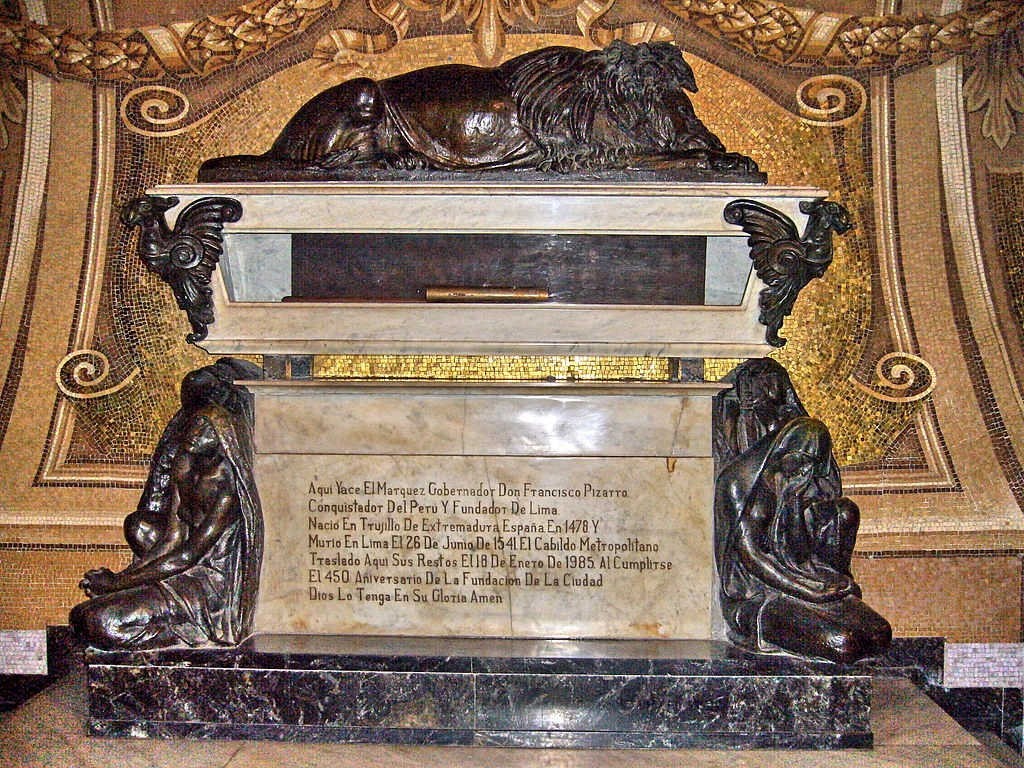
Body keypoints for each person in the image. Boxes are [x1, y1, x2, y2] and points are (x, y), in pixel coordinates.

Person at [69, 359, 263, 650]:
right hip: (181, 569)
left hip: (208, 581)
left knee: (99, 622)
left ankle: (185, 630)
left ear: (223, 435)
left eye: (204, 428)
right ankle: (163, 614)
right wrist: (123, 579)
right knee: (84, 617)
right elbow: (172, 538)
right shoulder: (184, 466)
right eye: (193, 424)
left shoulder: (227, 488)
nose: (193, 433)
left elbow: (187, 556)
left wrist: (115, 585)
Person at [713, 360, 891, 663]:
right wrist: (809, 591)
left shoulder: (802, 484)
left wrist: (795, 501)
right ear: (783, 448)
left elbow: (802, 555)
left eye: (813, 463)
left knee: (878, 634)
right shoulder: (738, 483)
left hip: (810, 588)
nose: (806, 471)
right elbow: (751, 556)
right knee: (843, 643)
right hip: (758, 599)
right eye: (801, 460)